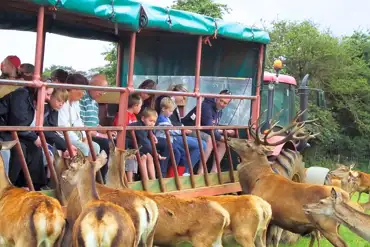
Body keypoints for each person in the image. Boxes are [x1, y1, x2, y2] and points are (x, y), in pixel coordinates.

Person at [0, 85, 54, 190]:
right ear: (38, 90)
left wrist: (65, 146)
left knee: (35, 149)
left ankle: (33, 186)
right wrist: (34, 137)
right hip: (4, 130)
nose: (48, 98)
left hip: (13, 132)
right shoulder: (21, 95)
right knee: (20, 149)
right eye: (47, 94)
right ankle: (9, 186)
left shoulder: (34, 101)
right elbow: (17, 122)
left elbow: (46, 129)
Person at [155, 84, 207, 174]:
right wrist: (182, 129)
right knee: (202, 145)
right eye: (183, 96)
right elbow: (169, 125)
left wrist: (182, 127)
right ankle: (186, 171)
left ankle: (185, 171)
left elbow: (173, 122)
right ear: (176, 93)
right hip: (171, 136)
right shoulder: (168, 102)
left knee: (202, 145)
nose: (184, 99)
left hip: (175, 134)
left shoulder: (172, 105)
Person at [182, 89, 235, 174]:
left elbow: (212, 127)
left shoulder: (219, 111)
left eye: (225, 103)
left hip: (202, 131)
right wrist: (221, 137)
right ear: (217, 97)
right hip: (188, 128)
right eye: (221, 100)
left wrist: (225, 132)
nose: (222, 104)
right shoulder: (207, 106)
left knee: (223, 143)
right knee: (209, 139)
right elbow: (209, 128)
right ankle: (201, 170)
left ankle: (214, 170)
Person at [57, 73, 100, 160]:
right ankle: (79, 172)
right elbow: (62, 127)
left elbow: (78, 122)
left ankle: (89, 172)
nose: (83, 94)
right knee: (84, 148)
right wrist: (79, 140)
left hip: (76, 135)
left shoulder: (76, 103)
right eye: (82, 90)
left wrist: (84, 137)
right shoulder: (61, 102)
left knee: (95, 147)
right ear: (72, 88)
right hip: (63, 136)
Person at [79, 74, 114, 180]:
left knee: (115, 140)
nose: (103, 93)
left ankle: (108, 177)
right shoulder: (82, 99)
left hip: (93, 133)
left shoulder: (94, 102)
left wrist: (106, 131)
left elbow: (95, 124)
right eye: (101, 90)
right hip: (84, 134)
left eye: (104, 90)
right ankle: (100, 180)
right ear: (93, 86)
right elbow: (82, 124)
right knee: (105, 143)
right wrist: (100, 135)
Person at [126, 108, 167, 180]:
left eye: (154, 122)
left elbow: (147, 142)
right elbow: (144, 142)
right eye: (150, 120)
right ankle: (146, 180)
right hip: (128, 148)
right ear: (143, 119)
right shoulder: (139, 127)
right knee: (143, 157)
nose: (152, 123)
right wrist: (156, 154)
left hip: (137, 147)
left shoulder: (147, 127)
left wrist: (154, 153)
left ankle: (153, 179)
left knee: (149, 156)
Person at [113, 93, 143, 181]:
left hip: (131, 142)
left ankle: (132, 179)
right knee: (131, 156)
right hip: (123, 143)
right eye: (140, 106)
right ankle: (129, 181)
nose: (140, 109)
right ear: (135, 105)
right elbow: (120, 131)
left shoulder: (134, 116)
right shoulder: (122, 114)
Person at [44, 88, 77, 158]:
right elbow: (47, 132)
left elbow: (52, 131)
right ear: (51, 97)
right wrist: (65, 146)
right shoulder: (45, 109)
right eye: (59, 101)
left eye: (63, 102)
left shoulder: (55, 111)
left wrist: (65, 146)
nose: (61, 104)